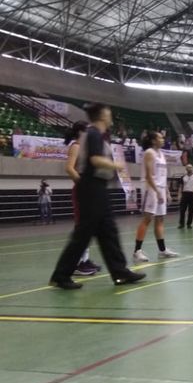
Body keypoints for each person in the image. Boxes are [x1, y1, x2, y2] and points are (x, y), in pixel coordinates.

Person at [49, 103, 145, 290]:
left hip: (97, 187)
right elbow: (94, 159)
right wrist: (115, 165)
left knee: (108, 231)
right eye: (108, 112)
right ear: (102, 115)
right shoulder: (93, 133)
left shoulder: (98, 135)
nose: (111, 116)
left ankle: (119, 272)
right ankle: (61, 275)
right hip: (91, 186)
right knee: (83, 234)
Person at [133, 131, 180, 262]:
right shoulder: (149, 153)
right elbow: (149, 176)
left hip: (160, 188)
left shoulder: (162, 154)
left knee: (160, 219)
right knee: (147, 219)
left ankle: (162, 250)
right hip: (150, 188)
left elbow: (162, 176)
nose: (163, 139)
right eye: (160, 137)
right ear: (153, 140)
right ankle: (137, 251)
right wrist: (157, 191)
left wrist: (166, 192)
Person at [64, 120, 102, 276]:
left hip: (88, 191)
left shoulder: (85, 149)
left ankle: (84, 259)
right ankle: (77, 263)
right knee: (82, 226)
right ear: (81, 132)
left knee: (87, 226)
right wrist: (82, 184)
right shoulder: (76, 146)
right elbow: (69, 168)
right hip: (81, 191)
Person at [178, 164, 193, 229]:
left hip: (192, 194)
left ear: (192, 168)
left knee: (191, 210)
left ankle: (189, 224)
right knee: (182, 210)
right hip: (184, 194)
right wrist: (179, 195)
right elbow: (180, 187)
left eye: (190, 167)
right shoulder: (183, 177)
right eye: (188, 168)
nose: (189, 169)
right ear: (186, 169)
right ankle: (181, 224)